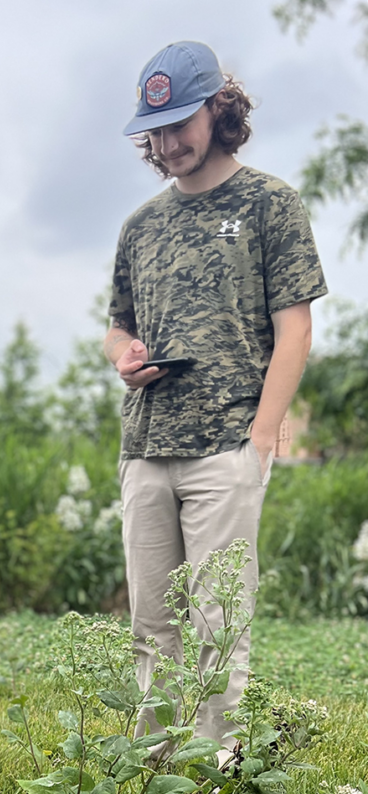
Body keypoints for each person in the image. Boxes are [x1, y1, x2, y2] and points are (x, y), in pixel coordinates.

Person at [103, 42, 327, 757]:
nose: (167, 144)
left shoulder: (269, 205)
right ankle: (152, 774)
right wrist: (125, 358)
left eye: (180, 124)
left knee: (215, 623)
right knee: (150, 624)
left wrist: (262, 439)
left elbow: (294, 329)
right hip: (144, 448)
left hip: (227, 444)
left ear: (218, 111)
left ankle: (214, 779)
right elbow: (119, 324)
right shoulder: (140, 226)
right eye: (155, 130)